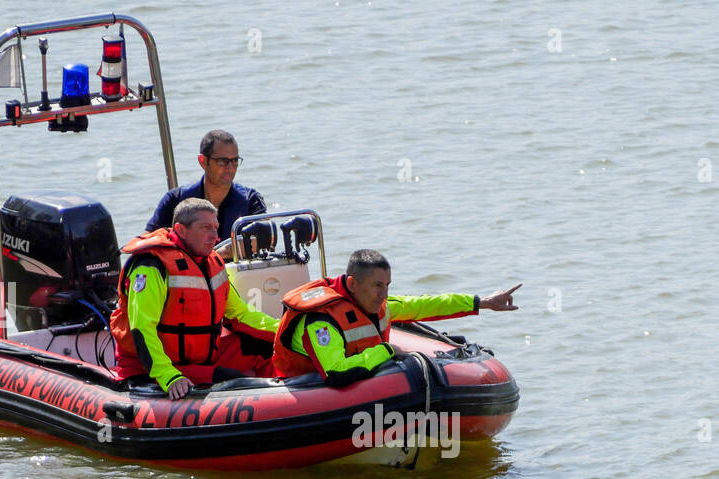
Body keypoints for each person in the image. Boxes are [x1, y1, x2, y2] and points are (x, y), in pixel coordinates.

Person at [109, 198, 278, 399]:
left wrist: (284, 329)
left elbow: (239, 313)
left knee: (266, 347)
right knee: (232, 380)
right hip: (158, 366)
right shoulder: (151, 266)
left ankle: (290, 403)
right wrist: (169, 376)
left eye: (216, 228)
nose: (215, 237)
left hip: (200, 357)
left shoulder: (211, 262)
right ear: (180, 230)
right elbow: (142, 330)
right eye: (206, 228)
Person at [272, 249, 520, 385]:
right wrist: (387, 351)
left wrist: (483, 302)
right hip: (305, 388)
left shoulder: (377, 303)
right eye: (377, 286)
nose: (384, 294)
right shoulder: (321, 321)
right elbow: (337, 373)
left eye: (388, 285)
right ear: (352, 284)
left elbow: (426, 305)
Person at [145, 130, 265, 251]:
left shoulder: (251, 200)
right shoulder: (175, 199)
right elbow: (147, 243)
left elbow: (265, 239)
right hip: (190, 269)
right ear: (202, 161)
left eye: (234, 160)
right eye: (222, 161)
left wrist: (231, 250)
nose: (230, 167)